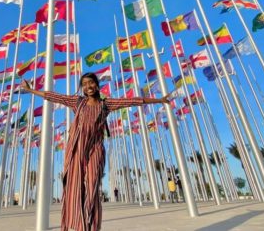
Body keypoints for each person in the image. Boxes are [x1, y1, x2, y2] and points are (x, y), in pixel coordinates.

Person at [21, 72, 169, 231]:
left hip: (95, 149)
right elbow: (53, 96)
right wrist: (31, 90)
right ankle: (79, 224)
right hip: (76, 149)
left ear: (97, 85)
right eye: (84, 84)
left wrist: (159, 100)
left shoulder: (106, 104)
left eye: (90, 83)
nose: (88, 87)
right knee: (75, 187)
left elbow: (131, 101)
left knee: (92, 186)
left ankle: (91, 226)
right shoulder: (77, 102)